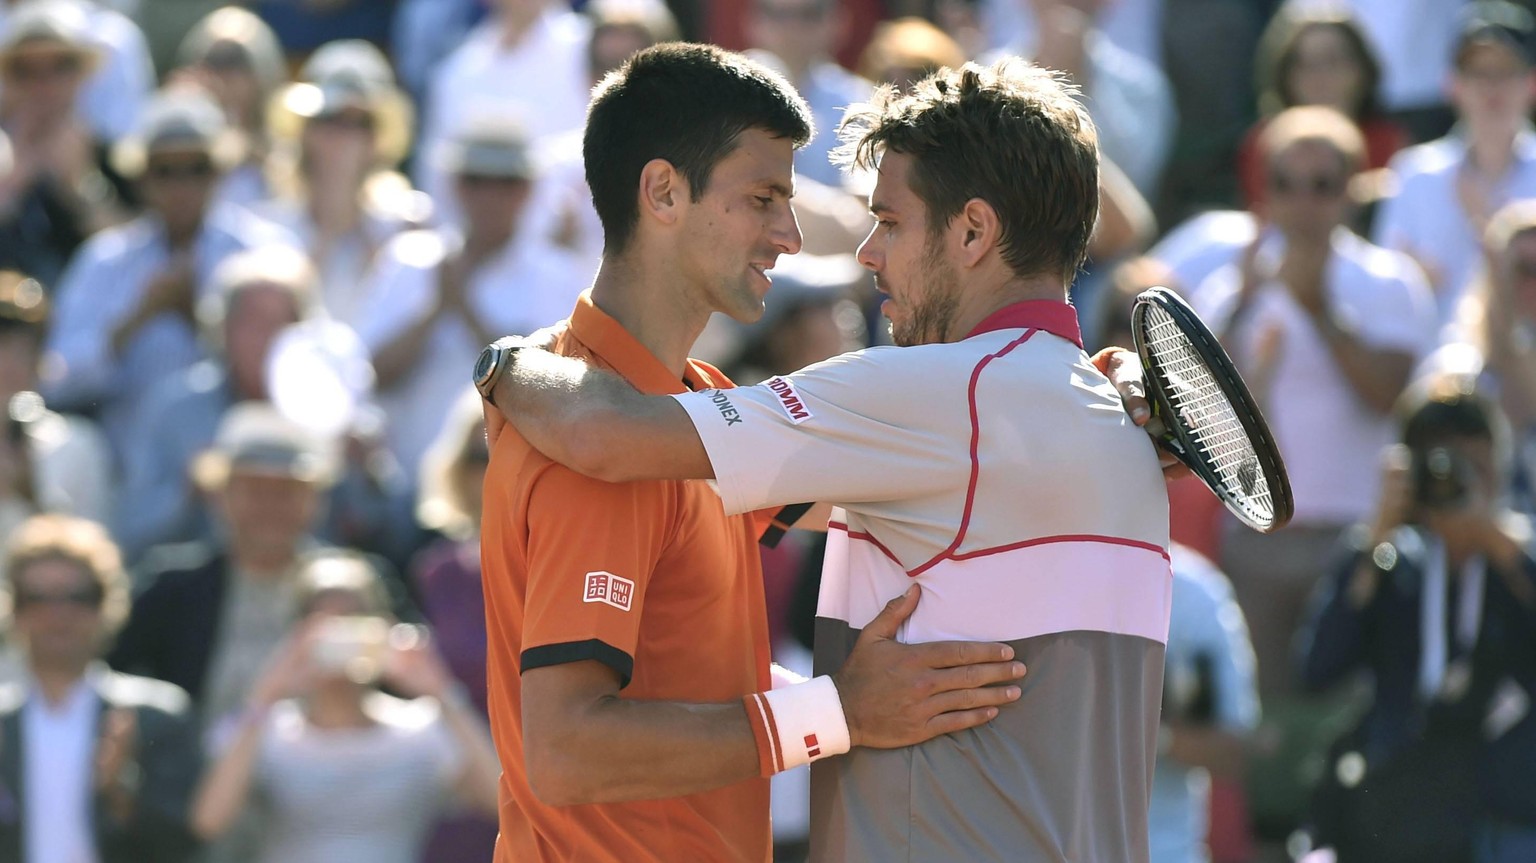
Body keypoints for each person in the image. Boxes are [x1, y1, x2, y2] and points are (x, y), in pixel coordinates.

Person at [480, 58, 1172, 862]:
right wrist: (834, 709)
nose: (840, 247)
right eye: (766, 199)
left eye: (891, 221)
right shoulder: (1101, 425)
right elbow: (568, 747)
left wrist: (499, 366)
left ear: (975, 231)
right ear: (663, 192)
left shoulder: (918, 401)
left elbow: (606, 431)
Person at [1197, 104, 1436, 698]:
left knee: (1354, 708)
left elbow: (1389, 397)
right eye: (1285, 183)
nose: (1303, 201)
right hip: (1257, 542)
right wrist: (1241, 307)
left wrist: (1320, 313)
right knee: (1264, 721)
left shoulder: (1388, 281)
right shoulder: (1234, 287)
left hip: (1356, 536)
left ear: (1350, 189)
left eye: (1323, 184)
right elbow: (1194, 402)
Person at [1295, 376, 1536, 863]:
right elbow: (1316, 670)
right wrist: (1377, 532)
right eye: (1438, 459)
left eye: (1472, 459)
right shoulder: (1388, 558)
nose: (1453, 475)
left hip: (1498, 806)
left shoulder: (1516, 562)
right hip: (1395, 803)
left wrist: (1496, 542)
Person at [190, 549, 500, 863]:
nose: (342, 638)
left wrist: (442, 692)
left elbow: (501, 803)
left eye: (354, 622)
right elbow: (209, 821)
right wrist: (265, 694)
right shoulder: (267, 730)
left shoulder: (421, 729)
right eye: (325, 625)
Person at [0, 513, 203, 863]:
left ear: (106, 604)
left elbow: (184, 844)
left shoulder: (157, 717)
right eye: (38, 597)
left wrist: (122, 792)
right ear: (14, 609)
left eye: (78, 596)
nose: (58, 614)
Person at [1371, 0, 1536, 325]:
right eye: (1478, 73)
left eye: (1504, 71)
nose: (1492, 88)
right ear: (1453, 85)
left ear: (1531, 84)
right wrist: (1411, 279)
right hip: (1433, 368)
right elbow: (1385, 289)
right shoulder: (1414, 173)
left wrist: (1487, 228)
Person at [1237, 4, 1409, 210]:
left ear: (1361, 70)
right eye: (1304, 64)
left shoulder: (1392, 143)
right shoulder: (1264, 145)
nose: (1320, 77)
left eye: (1332, 61)